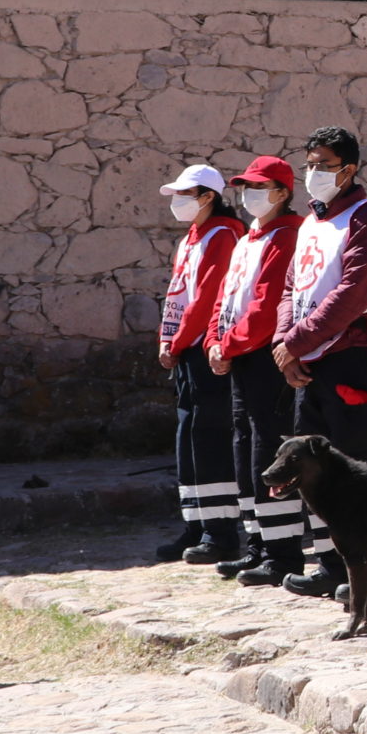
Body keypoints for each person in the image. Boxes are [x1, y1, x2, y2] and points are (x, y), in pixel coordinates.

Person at [273, 126, 367, 600]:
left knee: (360, 473)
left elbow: (355, 291)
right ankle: (331, 564)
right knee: (315, 473)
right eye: (309, 163)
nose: (313, 173)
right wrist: (285, 344)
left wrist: (298, 340)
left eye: (323, 165)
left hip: (350, 357)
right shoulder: (311, 222)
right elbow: (292, 288)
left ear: (349, 169)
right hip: (309, 360)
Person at [204, 158, 303, 585]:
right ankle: (257, 544)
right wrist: (213, 339)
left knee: (266, 446)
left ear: (282, 193)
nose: (249, 195)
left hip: (263, 355)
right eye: (244, 187)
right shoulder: (249, 238)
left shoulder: (287, 236)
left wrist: (226, 344)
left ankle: (282, 553)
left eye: (259, 187)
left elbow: (266, 307)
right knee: (244, 443)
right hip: (238, 352)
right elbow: (226, 296)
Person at [154, 164, 244, 564]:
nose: (177, 202)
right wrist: (167, 338)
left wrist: (178, 341)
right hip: (186, 346)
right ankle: (196, 524)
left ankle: (220, 531)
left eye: (185, 194)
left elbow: (209, 297)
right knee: (189, 434)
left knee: (209, 436)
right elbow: (178, 295)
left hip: (205, 345)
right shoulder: (194, 235)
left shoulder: (224, 234)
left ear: (208, 196)